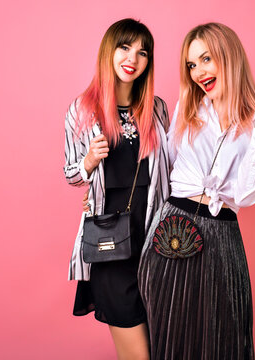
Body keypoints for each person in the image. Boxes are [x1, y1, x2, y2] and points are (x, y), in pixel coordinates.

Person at [137, 23, 255, 359]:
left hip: (221, 237)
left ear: (229, 56)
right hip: (170, 230)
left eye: (206, 59)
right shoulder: (189, 106)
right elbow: (162, 169)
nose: (198, 72)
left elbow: (246, 195)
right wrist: (101, 187)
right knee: (168, 340)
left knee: (221, 340)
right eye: (191, 65)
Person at [63, 18, 170, 360]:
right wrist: (89, 163)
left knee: (161, 346)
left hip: (156, 240)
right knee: (139, 356)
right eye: (125, 48)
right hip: (111, 243)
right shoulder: (83, 110)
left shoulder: (157, 109)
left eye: (143, 52)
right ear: (110, 51)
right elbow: (71, 174)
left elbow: (171, 171)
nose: (133, 58)